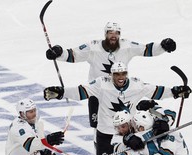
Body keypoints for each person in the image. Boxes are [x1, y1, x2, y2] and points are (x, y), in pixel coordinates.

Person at [43, 61, 191, 155]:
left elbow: (156, 91)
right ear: (111, 75)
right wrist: (61, 93)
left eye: (123, 73)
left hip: (130, 131)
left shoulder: (136, 84)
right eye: (117, 74)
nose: (120, 77)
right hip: (106, 134)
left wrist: (175, 91)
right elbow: (81, 91)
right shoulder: (101, 84)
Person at [45, 21, 177, 138]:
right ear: (105, 34)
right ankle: (101, 148)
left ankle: (127, 149)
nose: (113, 35)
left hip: (120, 90)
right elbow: (73, 55)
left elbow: (147, 49)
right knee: (98, 124)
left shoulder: (127, 46)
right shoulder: (93, 47)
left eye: (116, 33)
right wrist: (59, 53)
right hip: (97, 91)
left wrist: (163, 46)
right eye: (110, 32)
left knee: (125, 121)